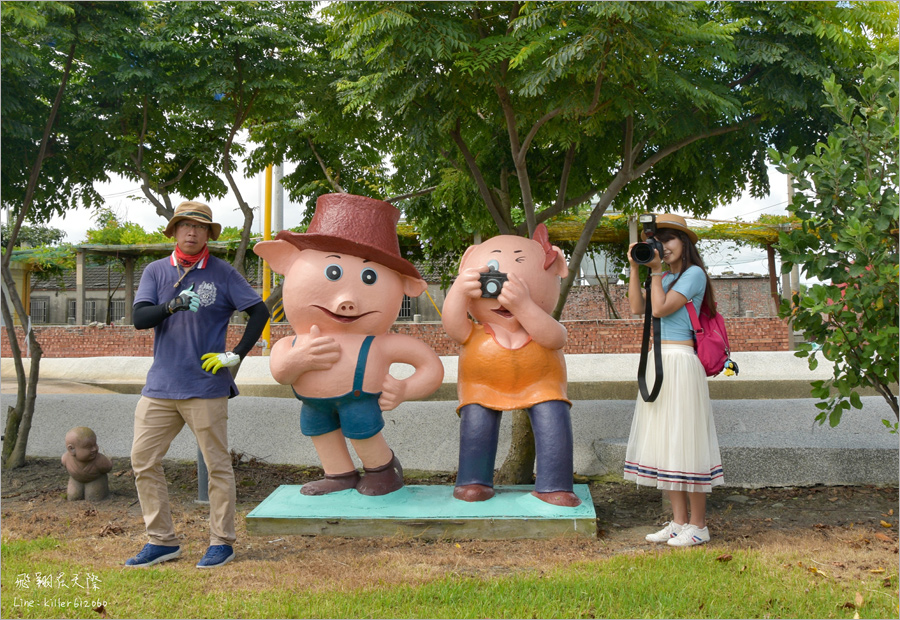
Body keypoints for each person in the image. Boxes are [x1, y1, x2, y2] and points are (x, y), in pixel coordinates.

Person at [125, 201, 269, 569]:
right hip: (160, 387)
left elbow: (259, 311)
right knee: (143, 460)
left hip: (206, 386)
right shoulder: (156, 271)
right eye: (185, 226)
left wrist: (235, 354)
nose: (192, 232)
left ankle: (222, 542)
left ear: (209, 234)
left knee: (217, 465)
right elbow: (140, 318)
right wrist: (171, 306)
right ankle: (161, 541)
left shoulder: (221, 273)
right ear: (174, 231)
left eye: (200, 227)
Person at [623, 213, 724, 547]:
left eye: (669, 239)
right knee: (668, 441)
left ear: (685, 243)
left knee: (686, 439)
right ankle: (678, 522)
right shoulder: (663, 277)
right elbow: (638, 307)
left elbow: (662, 309)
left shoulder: (694, 275)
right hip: (659, 361)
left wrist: (655, 273)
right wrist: (637, 267)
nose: (663, 247)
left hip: (681, 360)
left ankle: (698, 525)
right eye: (658, 240)